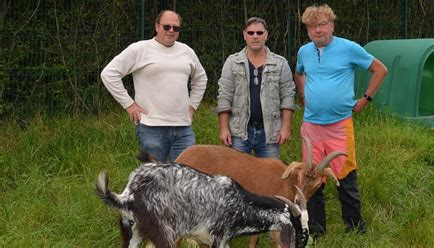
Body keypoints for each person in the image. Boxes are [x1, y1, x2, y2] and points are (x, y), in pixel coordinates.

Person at [294, 4, 388, 237]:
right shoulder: (304, 51)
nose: (318, 30)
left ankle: (355, 227)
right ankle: (316, 229)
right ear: (307, 30)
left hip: (339, 126)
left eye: (323, 25)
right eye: (312, 26)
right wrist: (305, 95)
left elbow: (380, 70)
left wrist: (365, 99)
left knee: (346, 174)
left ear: (332, 25)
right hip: (311, 126)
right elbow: (298, 73)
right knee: (312, 176)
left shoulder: (349, 48)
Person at [215, 17, 296, 247]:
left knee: (273, 188)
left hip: (269, 133)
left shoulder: (279, 63)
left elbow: (288, 96)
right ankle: (230, 230)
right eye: (250, 33)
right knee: (233, 185)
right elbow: (224, 96)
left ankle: (275, 232)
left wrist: (286, 126)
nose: (255, 36)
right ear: (244, 35)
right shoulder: (233, 62)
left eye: (259, 32)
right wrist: (223, 127)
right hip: (239, 131)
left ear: (266, 35)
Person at [101, 10, 207, 162]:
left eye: (176, 28)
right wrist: (129, 105)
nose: (171, 30)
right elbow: (109, 74)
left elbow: (201, 78)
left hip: (183, 127)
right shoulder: (139, 49)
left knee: (186, 177)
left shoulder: (187, 51)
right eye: (166, 26)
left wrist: (193, 105)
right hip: (151, 127)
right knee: (153, 178)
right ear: (157, 26)